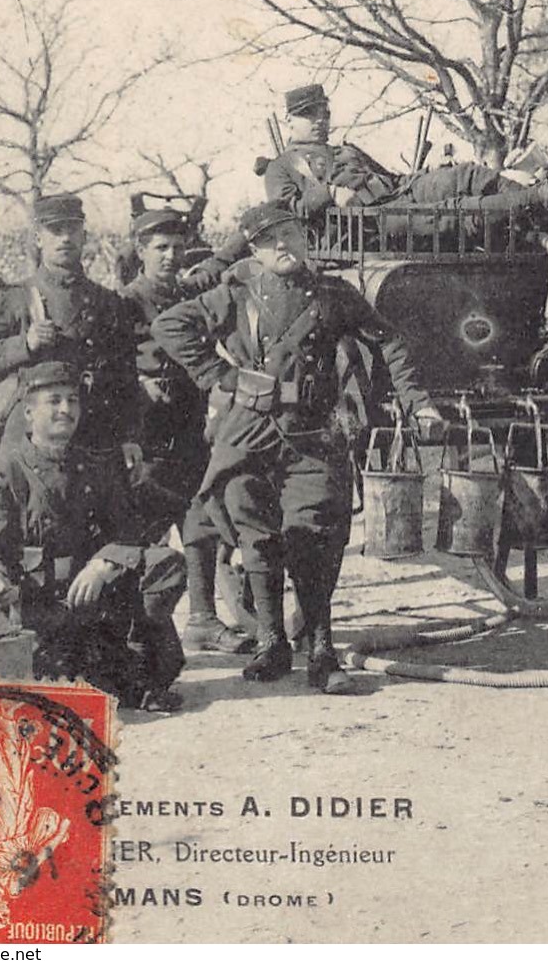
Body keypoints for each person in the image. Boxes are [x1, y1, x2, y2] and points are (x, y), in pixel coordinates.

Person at [152, 203, 440, 694]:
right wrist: (224, 377)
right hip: (248, 432)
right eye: (268, 241)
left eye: (289, 234)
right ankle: (272, 642)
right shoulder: (234, 294)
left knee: (315, 536)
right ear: (255, 249)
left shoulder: (334, 295)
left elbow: (387, 342)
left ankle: (322, 649)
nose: (281, 246)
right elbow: (170, 327)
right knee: (255, 535)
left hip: (312, 432)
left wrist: (418, 403)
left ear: (306, 238)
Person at [0, 361, 186, 711]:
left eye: (72, 400)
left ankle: (130, 669)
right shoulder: (9, 475)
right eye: (54, 401)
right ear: (29, 413)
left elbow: (129, 532)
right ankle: (84, 676)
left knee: (165, 563)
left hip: (90, 605)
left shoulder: (96, 468)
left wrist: (102, 565)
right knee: (26, 680)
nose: (66, 409)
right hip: (36, 609)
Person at [121, 207, 256, 655]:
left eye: (178, 247)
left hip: (189, 424)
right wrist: (136, 384)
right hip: (146, 431)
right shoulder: (123, 303)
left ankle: (201, 619)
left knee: (200, 520)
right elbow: (107, 364)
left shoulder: (187, 289)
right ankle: (139, 629)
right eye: (161, 248)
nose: (171, 256)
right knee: (146, 530)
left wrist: (248, 230)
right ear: (141, 252)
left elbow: (219, 262)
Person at [0, 194, 140, 458]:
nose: (65, 239)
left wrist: (128, 436)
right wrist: (25, 344)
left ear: (84, 237)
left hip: (95, 431)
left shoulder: (107, 302)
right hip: (34, 431)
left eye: (72, 230)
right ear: (38, 238)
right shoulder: (17, 297)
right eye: (55, 231)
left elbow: (126, 376)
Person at [262, 83, 548, 225]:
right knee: (459, 209)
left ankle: (542, 199)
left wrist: (428, 175)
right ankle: (546, 199)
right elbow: (290, 213)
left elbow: (390, 178)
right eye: (309, 115)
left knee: (465, 174)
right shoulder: (281, 167)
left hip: (399, 192)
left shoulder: (344, 149)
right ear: (289, 121)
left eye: (323, 112)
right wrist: (329, 192)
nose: (320, 120)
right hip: (370, 222)